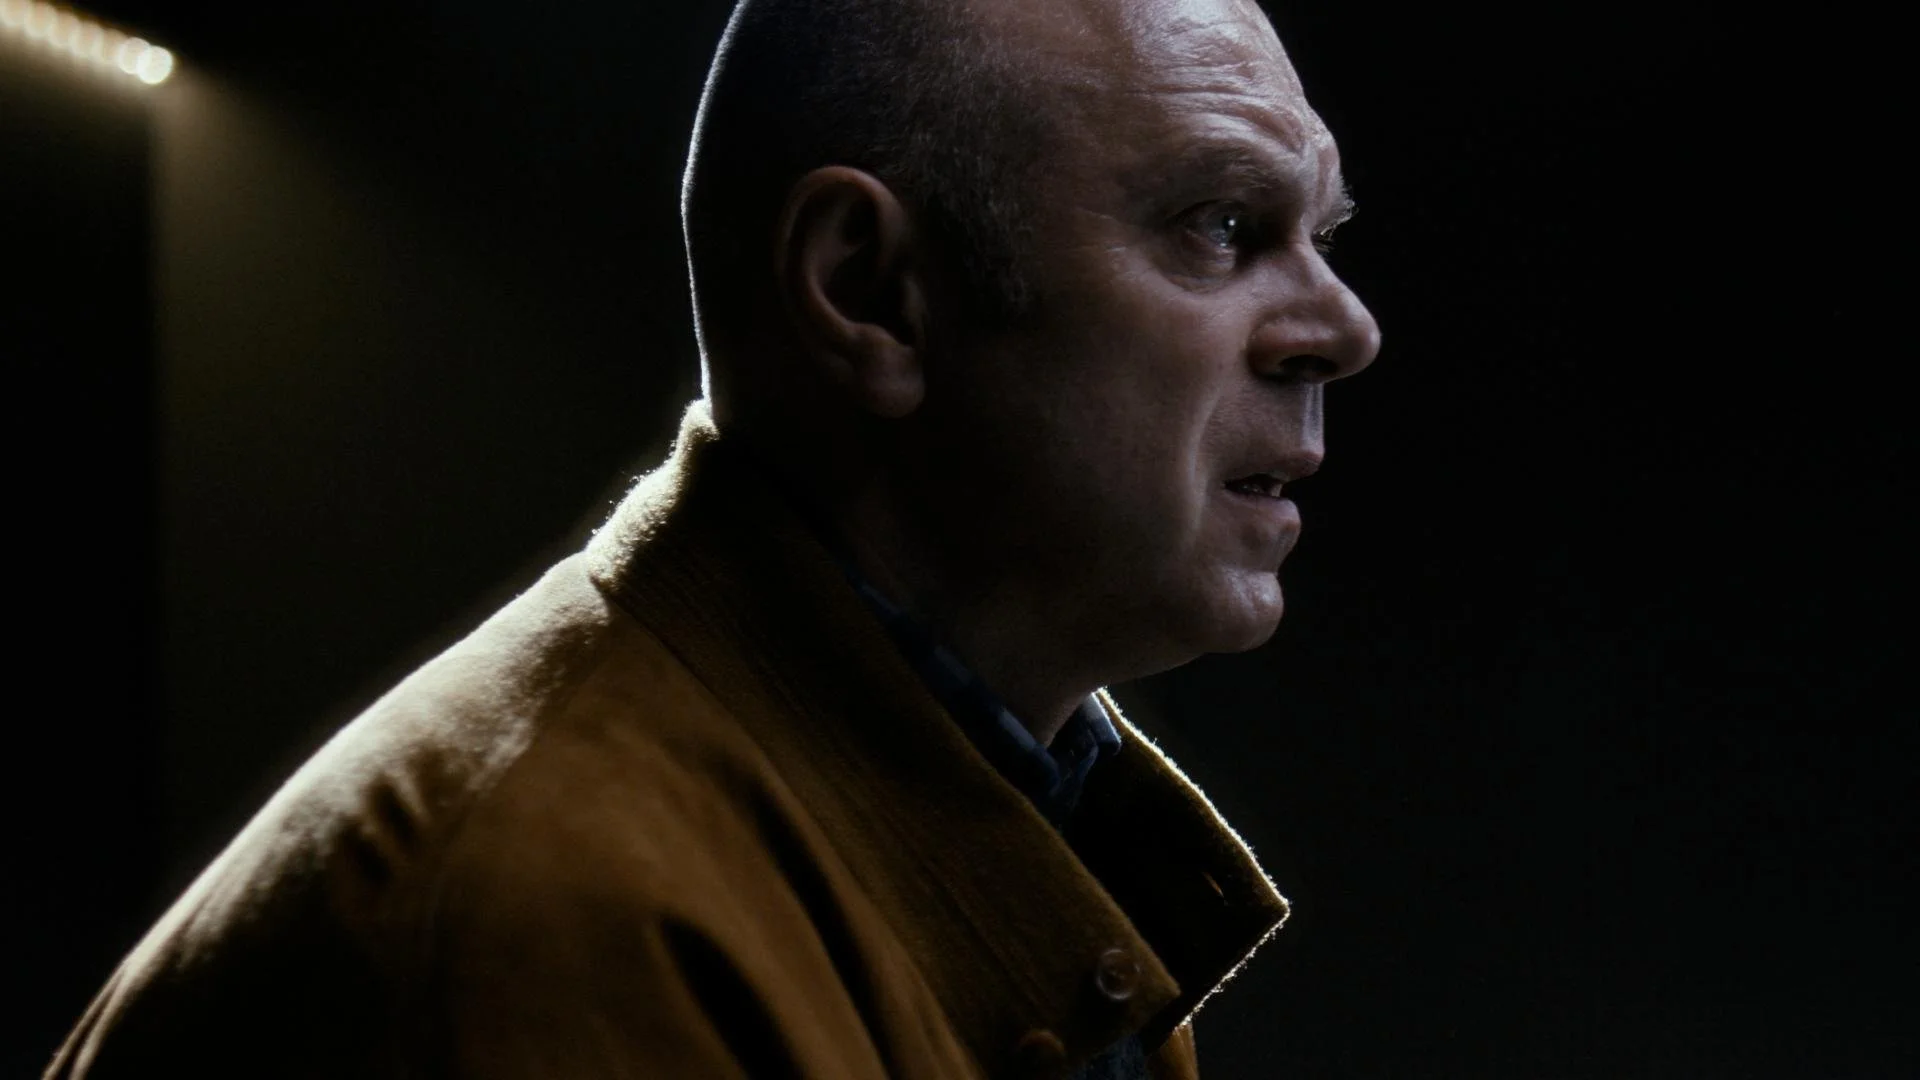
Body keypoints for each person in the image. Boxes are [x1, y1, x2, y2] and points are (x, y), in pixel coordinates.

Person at [46, 0, 1379, 1075]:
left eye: (1319, 235)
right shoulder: (563, 928)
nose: (1344, 327)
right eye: (1222, 226)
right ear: (869, 289)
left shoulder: (1035, 840)